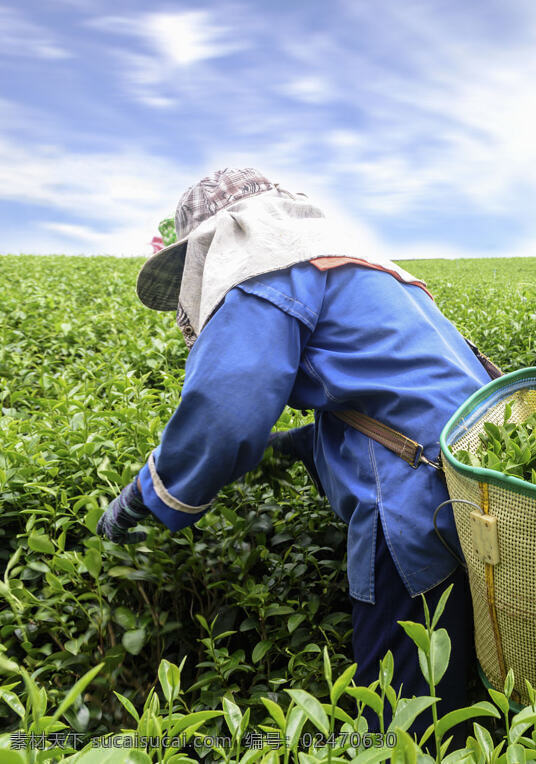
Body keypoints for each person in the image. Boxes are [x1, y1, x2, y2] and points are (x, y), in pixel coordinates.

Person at [96, 168, 489, 731]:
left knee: (403, 706)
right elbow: (390, 391)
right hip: (470, 474)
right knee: (448, 672)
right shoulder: (353, 265)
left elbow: (225, 411)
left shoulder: (264, 268)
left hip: (407, 495)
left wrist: (147, 494)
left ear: (220, 239)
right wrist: (294, 448)